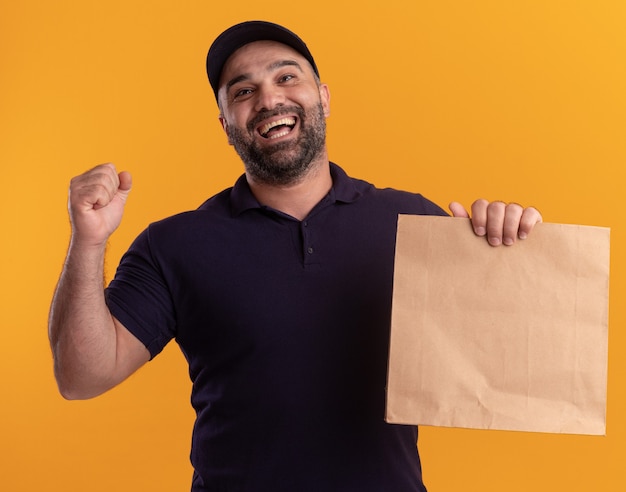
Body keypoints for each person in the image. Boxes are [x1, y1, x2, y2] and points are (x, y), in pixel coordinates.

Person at [49, 21, 542, 491]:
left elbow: (504, 356)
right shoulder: (174, 244)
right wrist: (88, 241)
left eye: (287, 77)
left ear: (323, 99)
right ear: (225, 124)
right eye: (243, 91)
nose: (268, 99)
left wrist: (510, 249)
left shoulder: (412, 221)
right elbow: (80, 377)